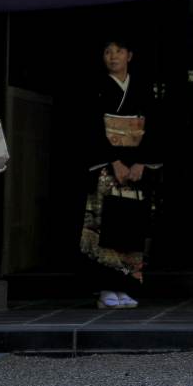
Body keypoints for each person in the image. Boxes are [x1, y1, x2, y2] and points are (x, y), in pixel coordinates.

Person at [81, 36, 168, 310]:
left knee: (131, 224)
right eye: (107, 51)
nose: (113, 56)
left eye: (119, 51)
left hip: (135, 168)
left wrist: (141, 162)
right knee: (106, 224)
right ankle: (106, 286)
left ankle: (128, 286)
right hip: (108, 167)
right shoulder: (95, 88)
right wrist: (113, 160)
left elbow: (155, 127)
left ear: (130, 55)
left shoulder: (142, 88)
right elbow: (91, 127)